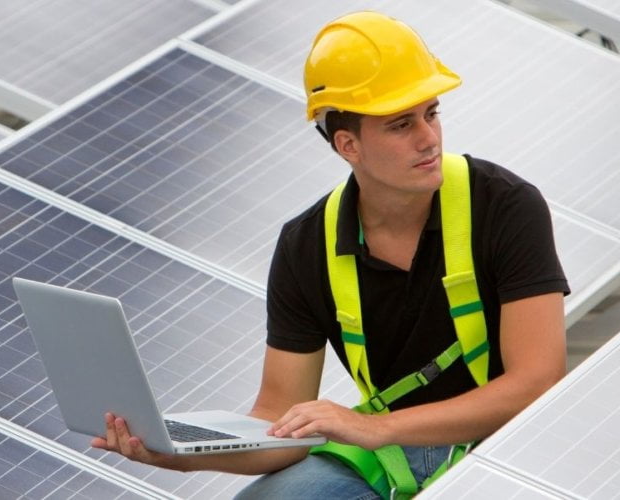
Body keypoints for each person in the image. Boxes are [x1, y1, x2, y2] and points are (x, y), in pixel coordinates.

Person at [92, 11, 568, 498]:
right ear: (348, 145)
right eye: (401, 124)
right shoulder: (305, 246)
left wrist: (378, 428)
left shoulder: (505, 205)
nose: (428, 137)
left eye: (431, 113)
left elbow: (536, 382)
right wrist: (176, 454)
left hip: (516, 442)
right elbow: (278, 422)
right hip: (398, 452)